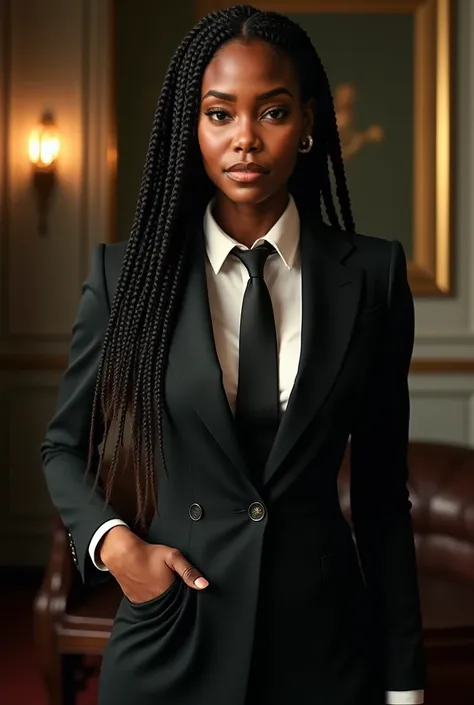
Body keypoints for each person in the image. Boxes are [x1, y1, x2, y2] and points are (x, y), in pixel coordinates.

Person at [40, 5, 427, 705]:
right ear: (191, 127)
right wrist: (117, 546)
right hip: (170, 636)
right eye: (220, 115)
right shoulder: (125, 279)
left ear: (308, 122)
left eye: (272, 113)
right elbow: (63, 447)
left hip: (323, 650)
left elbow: (380, 498)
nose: (245, 139)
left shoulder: (370, 276)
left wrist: (405, 681)